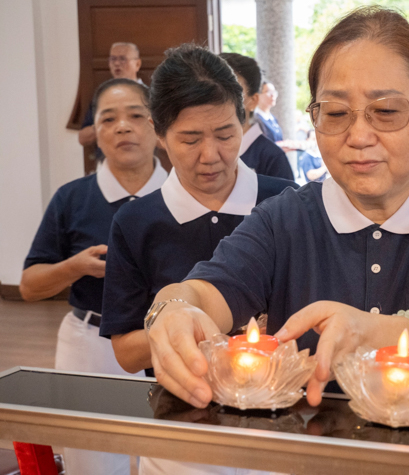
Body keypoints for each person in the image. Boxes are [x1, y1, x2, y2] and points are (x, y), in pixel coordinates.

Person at [144, 7, 409, 414]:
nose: (359, 136)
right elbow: (207, 291)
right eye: (337, 113)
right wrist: (172, 308)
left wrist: (370, 332)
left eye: (387, 111)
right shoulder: (285, 220)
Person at [98, 45, 297, 475]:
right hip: (180, 432)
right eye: (190, 139)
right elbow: (126, 353)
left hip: (281, 426)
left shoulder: (284, 202)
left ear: (246, 119)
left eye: (226, 134)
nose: (211, 155)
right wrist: (182, 332)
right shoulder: (137, 221)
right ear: (159, 132)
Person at [20, 78, 167, 475]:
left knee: (171, 455)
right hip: (90, 343)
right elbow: (29, 286)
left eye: (136, 115)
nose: (123, 126)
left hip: (169, 341)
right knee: (93, 461)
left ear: (158, 126)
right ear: (95, 135)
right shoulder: (72, 198)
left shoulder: (181, 195)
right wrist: (75, 266)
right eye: (108, 119)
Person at [220, 53, 294, 181]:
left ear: (253, 100)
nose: (219, 99)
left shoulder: (272, 158)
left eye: (232, 91)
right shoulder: (206, 153)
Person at [78, 43, 143, 151]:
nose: (117, 63)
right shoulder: (101, 98)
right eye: (113, 59)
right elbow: (83, 138)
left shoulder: (151, 97)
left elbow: (165, 138)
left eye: (123, 59)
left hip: (144, 161)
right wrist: (106, 123)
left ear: (137, 64)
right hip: (107, 162)